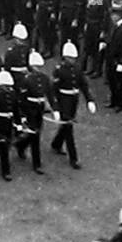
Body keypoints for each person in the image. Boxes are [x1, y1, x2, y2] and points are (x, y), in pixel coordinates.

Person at [49, 41, 96, 169]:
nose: (72, 60)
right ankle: (73, 158)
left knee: (66, 126)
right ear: (65, 57)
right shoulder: (59, 70)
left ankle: (56, 144)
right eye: (70, 58)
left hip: (73, 100)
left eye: (74, 58)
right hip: (63, 100)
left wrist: (89, 100)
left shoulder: (77, 69)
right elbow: (53, 90)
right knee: (69, 129)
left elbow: (84, 85)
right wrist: (56, 108)